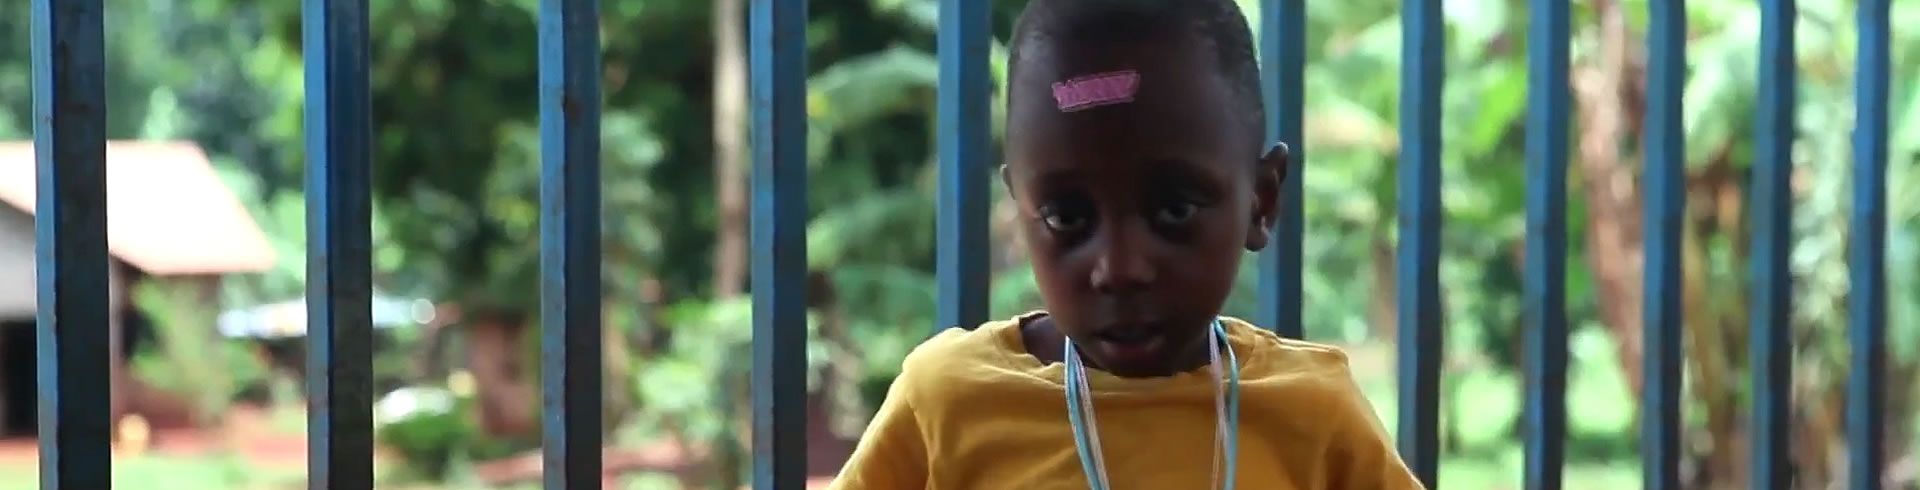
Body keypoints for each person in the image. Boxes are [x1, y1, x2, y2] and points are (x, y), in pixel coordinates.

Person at [827, 0, 1422, 488]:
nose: (1120, 268)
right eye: (1066, 216)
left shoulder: (1314, 417)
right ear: (1020, 208)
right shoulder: (947, 403)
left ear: (1261, 201)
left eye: (1174, 209)